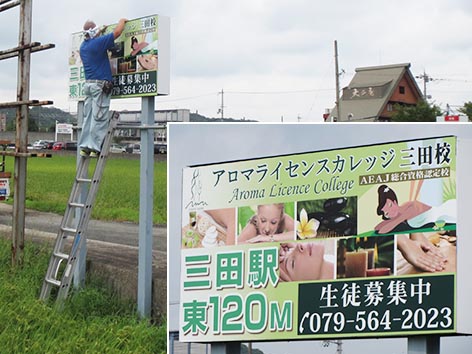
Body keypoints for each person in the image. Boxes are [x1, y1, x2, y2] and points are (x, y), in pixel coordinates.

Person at [78, 18, 127, 157]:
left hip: (88, 85)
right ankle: (94, 147)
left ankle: (85, 147)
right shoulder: (98, 43)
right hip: (100, 86)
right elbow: (117, 32)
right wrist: (122, 21)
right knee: (99, 117)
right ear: (93, 32)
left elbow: (94, 36)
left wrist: (100, 31)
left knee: (88, 117)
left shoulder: (83, 46)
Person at [375, 183, 456, 234]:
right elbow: (377, 228)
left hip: (445, 213)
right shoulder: (400, 213)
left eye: (390, 205)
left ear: (395, 202)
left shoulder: (409, 208)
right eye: (386, 213)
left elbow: (382, 231)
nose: (391, 212)